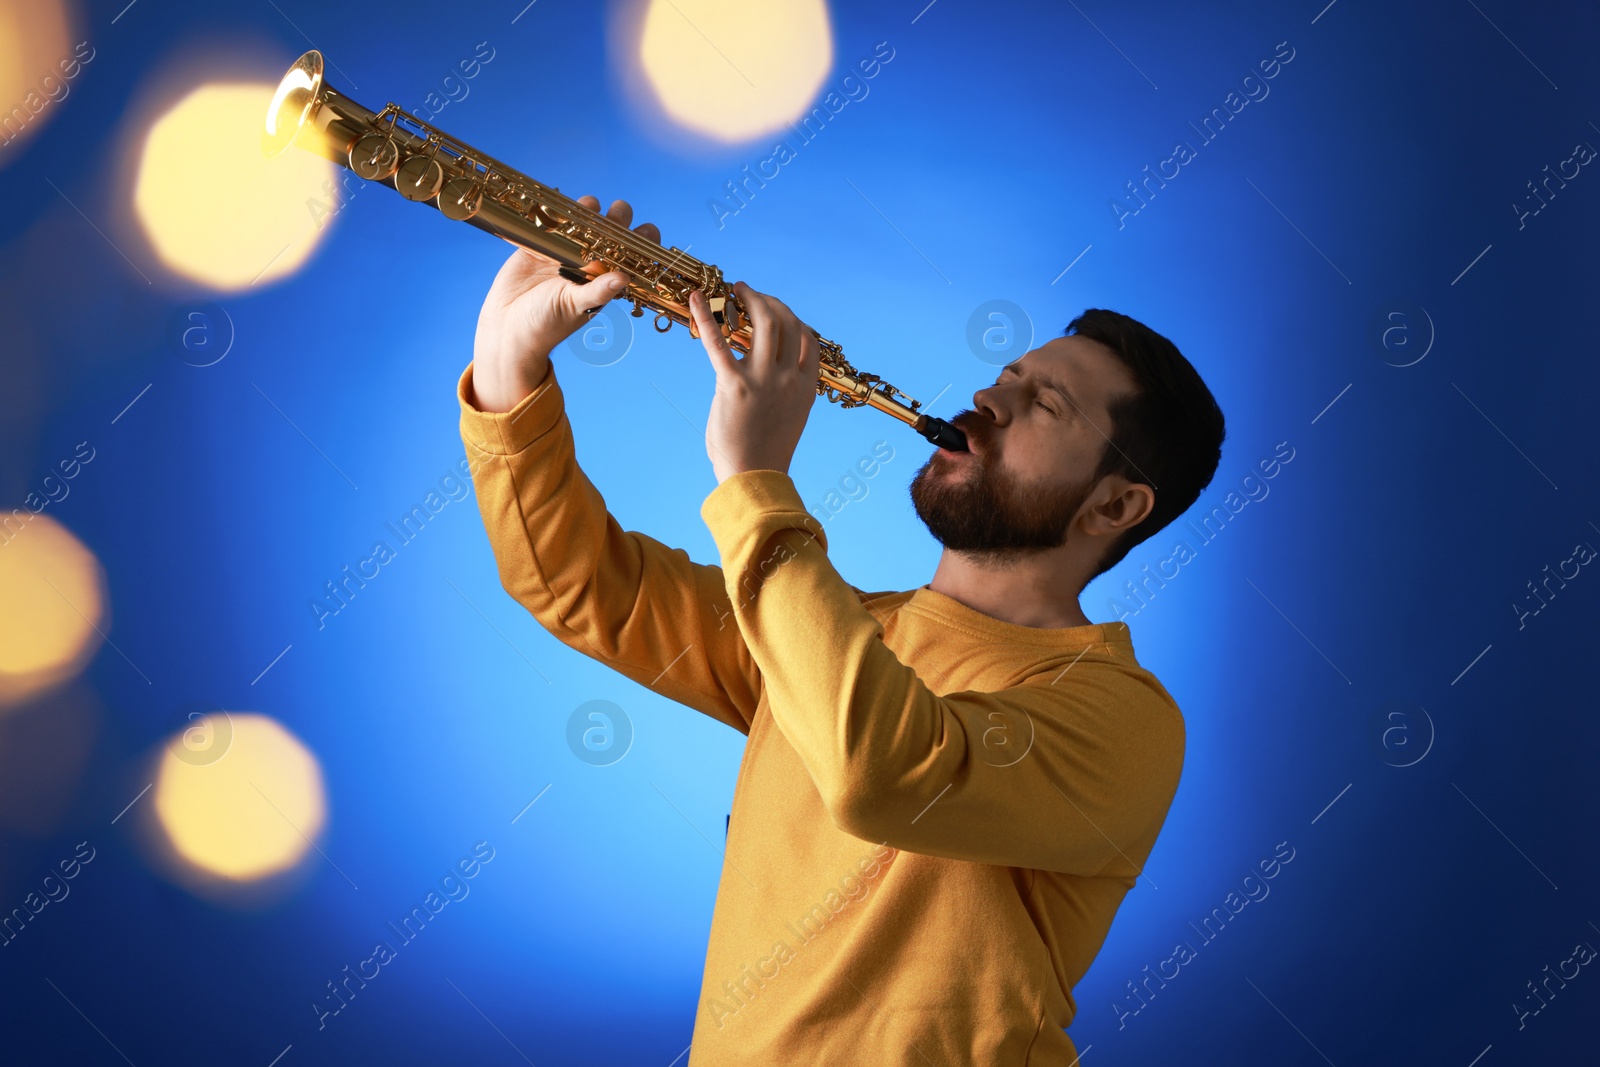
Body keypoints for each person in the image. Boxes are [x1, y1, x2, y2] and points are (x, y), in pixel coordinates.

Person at [458, 197, 1226, 1065]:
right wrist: (505, 369)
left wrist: (753, 480)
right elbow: (580, 585)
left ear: (1116, 504)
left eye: (1043, 403)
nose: (987, 399)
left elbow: (883, 775)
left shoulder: (1124, 718)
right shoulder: (831, 623)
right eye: (1003, 378)